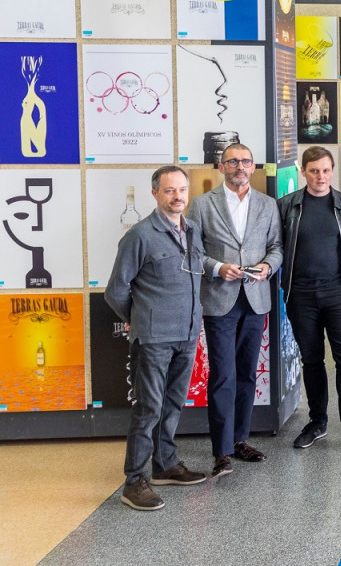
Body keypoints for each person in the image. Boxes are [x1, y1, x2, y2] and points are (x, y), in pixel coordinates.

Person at [105, 165, 207, 511]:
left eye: (181, 190)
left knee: (174, 403)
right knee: (148, 408)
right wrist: (138, 319)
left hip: (187, 332)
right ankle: (134, 481)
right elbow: (116, 290)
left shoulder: (192, 229)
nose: (177, 196)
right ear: (154, 194)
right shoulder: (140, 235)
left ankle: (164, 465)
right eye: (169, 191)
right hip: (154, 337)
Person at [186, 144, 283, 478]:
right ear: (221, 166)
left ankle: (241, 440)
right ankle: (221, 450)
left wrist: (269, 267)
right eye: (232, 162)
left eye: (245, 161)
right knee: (223, 375)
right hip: (219, 298)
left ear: (253, 166)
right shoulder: (201, 205)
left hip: (256, 298)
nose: (239, 167)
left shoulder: (268, 205)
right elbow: (191, 252)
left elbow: (276, 247)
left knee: (248, 373)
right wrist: (216, 268)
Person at [279, 146, 341, 455]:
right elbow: (278, 246)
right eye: (313, 170)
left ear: (332, 171)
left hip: (339, 293)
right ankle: (317, 422)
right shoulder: (287, 206)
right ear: (303, 173)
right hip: (300, 295)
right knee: (312, 360)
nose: (320, 176)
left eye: (325, 170)